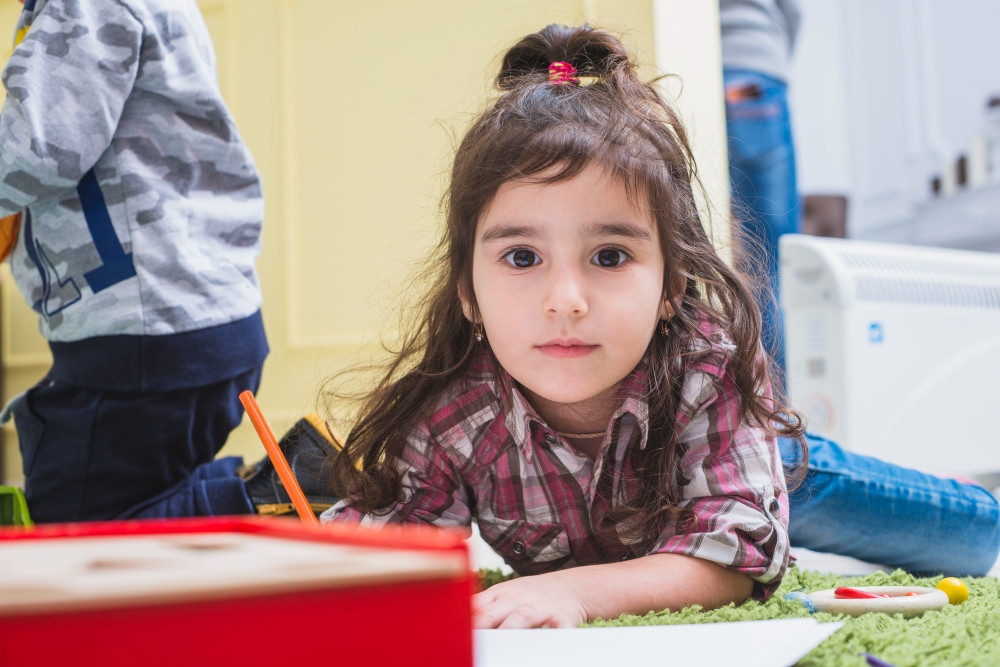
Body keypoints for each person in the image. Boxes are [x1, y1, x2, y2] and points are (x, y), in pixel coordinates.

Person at [301, 24, 998, 629]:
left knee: (975, 535)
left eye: (609, 256)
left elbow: (737, 557)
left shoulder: (709, 363)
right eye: (522, 256)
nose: (565, 299)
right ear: (467, 292)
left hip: (753, 465)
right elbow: (391, 549)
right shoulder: (452, 411)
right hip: (655, 512)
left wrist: (574, 590)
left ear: (671, 284)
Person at [0, 0, 277, 522]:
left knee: (75, 520)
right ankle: (265, 489)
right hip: (194, 323)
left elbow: (40, 147)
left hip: (144, 339)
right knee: (146, 485)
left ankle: (268, 505)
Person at [720, 0, 801, 391]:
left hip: (688, 63)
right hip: (754, 72)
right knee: (771, 263)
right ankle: (776, 423)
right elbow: (791, 10)